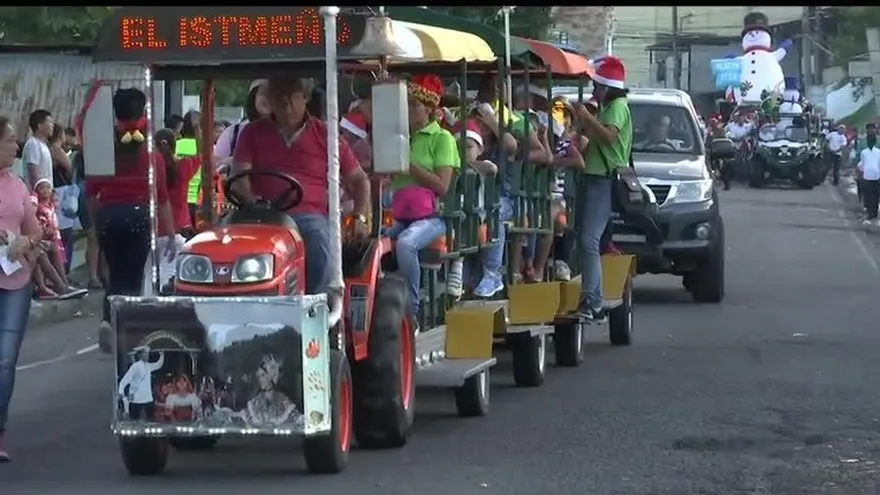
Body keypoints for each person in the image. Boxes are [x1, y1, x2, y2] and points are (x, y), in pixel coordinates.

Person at [232, 76, 371, 295]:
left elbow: (359, 180)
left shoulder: (326, 135)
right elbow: (239, 177)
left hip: (309, 215)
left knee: (318, 240)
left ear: (305, 97)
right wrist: (253, 201)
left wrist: (360, 216)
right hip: (261, 214)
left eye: (291, 94)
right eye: (277, 94)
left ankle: (316, 306)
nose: (283, 100)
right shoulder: (252, 133)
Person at [87, 87, 177, 350]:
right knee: (135, 276)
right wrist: (170, 233)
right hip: (138, 216)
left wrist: (97, 222)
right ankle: (126, 329)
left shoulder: (102, 151)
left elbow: (92, 194)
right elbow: (161, 198)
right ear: (144, 111)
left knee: (115, 273)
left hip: (108, 216)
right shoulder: (153, 155)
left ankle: (108, 319)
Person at [382, 74, 460, 319]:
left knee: (406, 243)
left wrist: (410, 167)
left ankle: (411, 310)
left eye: (414, 105)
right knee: (372, 241)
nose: (408, 111)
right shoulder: (403, 138)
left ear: (429, 109)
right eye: (407, 105)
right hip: (400, 213)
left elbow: (443, 186)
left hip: (433, 217)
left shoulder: (442, 138)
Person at [574, 55, 633, 322]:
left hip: (603, 179)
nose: (594, 91)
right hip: (594, 176)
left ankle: (592, 300)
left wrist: (589, 117)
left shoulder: (618, 106)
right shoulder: (610, 107)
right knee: (588, 240)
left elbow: (610, 137)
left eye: (597, 86)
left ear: (607, 87)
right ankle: (592, 296)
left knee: (589, 240)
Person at [0, 115, 44, 462]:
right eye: (10, 139)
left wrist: (25, 241)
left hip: (15, 278)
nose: (16, 145)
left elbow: (36, 230)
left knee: (5, 361)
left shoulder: (16, 185)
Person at [30, 179, 85, 300]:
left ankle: (64, 284)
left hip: (42, 238)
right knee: (40, 252)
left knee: (52, 248)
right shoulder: (36, 206)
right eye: (41, 188)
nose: (45, 191)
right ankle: (57, 287)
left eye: (47, 188)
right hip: (35, 239)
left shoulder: (51, 206)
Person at [214, 80, 271, 168]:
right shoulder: (233, 133)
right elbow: (215, 167)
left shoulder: (289, 134)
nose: (269, 98)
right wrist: (231, 161)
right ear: (253, 98)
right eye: (263, 93)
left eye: (272, 94)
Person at [48, 125, 77, 274]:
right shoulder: (56, 150)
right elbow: (70, 170)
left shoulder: (47, 149)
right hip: (61, 192)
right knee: (66, 234)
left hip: (54, 191)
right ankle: (64, 271)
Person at [117, 346, 165, 421]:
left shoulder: (148, 366)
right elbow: (125, 380)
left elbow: (158, 365)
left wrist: (162, 355)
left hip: (147, 398)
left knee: (150, 420)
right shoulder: (135, 366)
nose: (147, 356)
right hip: (136, 399)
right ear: (140, 355)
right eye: (145, 354)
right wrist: (121, 391)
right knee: (134, 420)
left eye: (147, 354)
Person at [22, 109, 54, 190]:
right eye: (50, 122)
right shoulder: (33, 144)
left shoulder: (44, 145)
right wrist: (42, 192)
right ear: (39, 125)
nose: (52, 125)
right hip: (37, 196)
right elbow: (34, 172)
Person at [858, 132, 880, 225]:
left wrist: (860, 170)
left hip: (867, 175)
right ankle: (874, 213)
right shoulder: (879, 152)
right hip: (877, 175)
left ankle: (870, 213)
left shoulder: (864, 152)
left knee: (868, 195)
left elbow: (862, 165)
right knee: (875, 195)